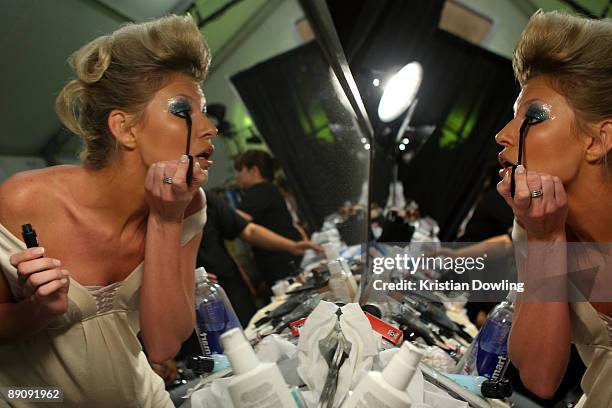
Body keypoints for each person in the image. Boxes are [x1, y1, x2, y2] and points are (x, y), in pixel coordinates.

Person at [0, 16, 215, 407]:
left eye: (204, 111)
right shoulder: (23, 201)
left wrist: (166, 220)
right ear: (126, 128)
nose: (209, 128)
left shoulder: (187, 205)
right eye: (185, 111)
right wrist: (37, 311)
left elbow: (164, 344)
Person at [496, 10, 612, 406]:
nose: (503, 135)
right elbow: (540, 376)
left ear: (597, 141)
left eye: (533, 117)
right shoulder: (536, 222)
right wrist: (547, 239)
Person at [195, 189, 320, 326]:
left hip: (231, 291)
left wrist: (292, 246)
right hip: (193, 305)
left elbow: (248, 230)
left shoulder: (203, 197)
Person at [233, 150, 304, 286]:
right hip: (287, 254)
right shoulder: (270, 188)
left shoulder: (260, 190)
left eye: (240, 171)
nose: (237, 177)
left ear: (254, 170)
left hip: (280, 259)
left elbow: (236, 221)